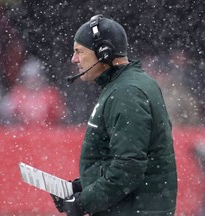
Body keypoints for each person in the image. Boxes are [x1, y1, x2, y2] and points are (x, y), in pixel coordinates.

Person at [51, 15, 177, 216]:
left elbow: (129, 168)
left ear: (104, 53)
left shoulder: (125, 93)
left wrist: (84, 202)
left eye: (79, 51)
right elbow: (121, 161)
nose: (74, 59)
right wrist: (82, 187)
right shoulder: (126, 85)